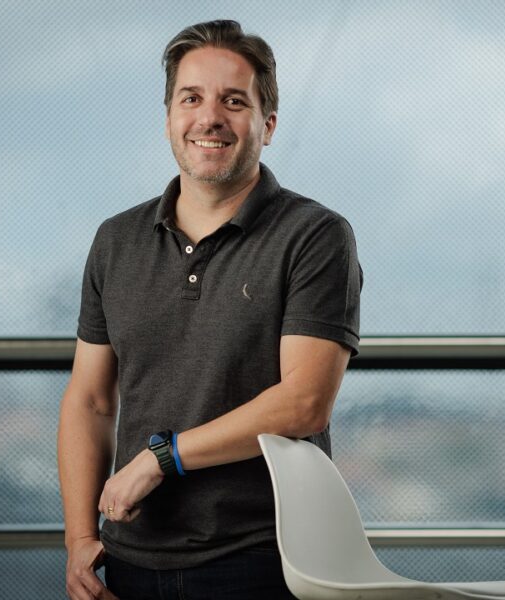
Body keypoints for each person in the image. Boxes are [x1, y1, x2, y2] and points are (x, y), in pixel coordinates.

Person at [57, 19, 362, 600]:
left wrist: (161, 458)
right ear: (169, 117)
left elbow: (304, 403)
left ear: (268, 125)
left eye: (234, 101)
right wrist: (78, 537)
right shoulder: (116, 240)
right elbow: (90, 400)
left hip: (264, 558)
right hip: (130, 558)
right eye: (191, 98)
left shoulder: (314, 235)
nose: (210, 118)